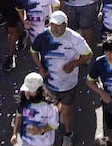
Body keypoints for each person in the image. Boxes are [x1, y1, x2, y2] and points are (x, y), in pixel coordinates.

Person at [31, 10, 93, 146]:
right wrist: (40, 67)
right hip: (49, 84)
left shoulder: (74, 38)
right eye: (53, 25)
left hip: (68, 85)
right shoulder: (43, 36)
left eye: (59, 25)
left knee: (66, 112)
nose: (55, 28)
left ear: (66, 24)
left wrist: (74, 64)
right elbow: (33, 50)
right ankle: (48, 130)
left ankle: (68, 134)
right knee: (51, 110)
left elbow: (88, 54)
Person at [11, 72, 60, 146]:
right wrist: (14, 134)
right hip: (26, 142)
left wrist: (40, 130)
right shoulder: (23, 102)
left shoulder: (49, 107)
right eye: (26, 89)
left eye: (31, 90)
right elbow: (19, 115)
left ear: (39, 90)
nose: (28, 92)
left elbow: (54, 125)